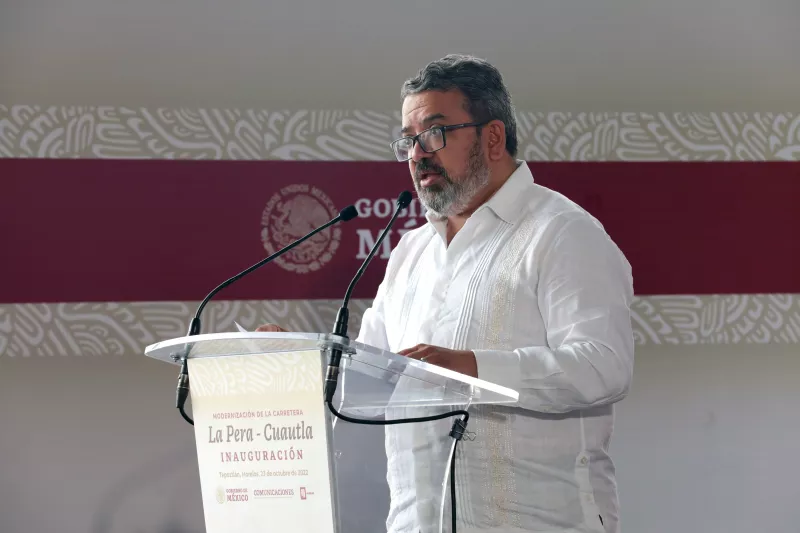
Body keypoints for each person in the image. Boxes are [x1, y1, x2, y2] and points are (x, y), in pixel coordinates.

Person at [259, 54, 634, 533]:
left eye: (434, 133)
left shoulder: (561, 233)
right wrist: (295, 363)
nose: (417, 154)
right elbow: (372, 369)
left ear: (492, 137)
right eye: (408, 141)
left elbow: (603, 365)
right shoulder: (411, 251)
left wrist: (473, 368)